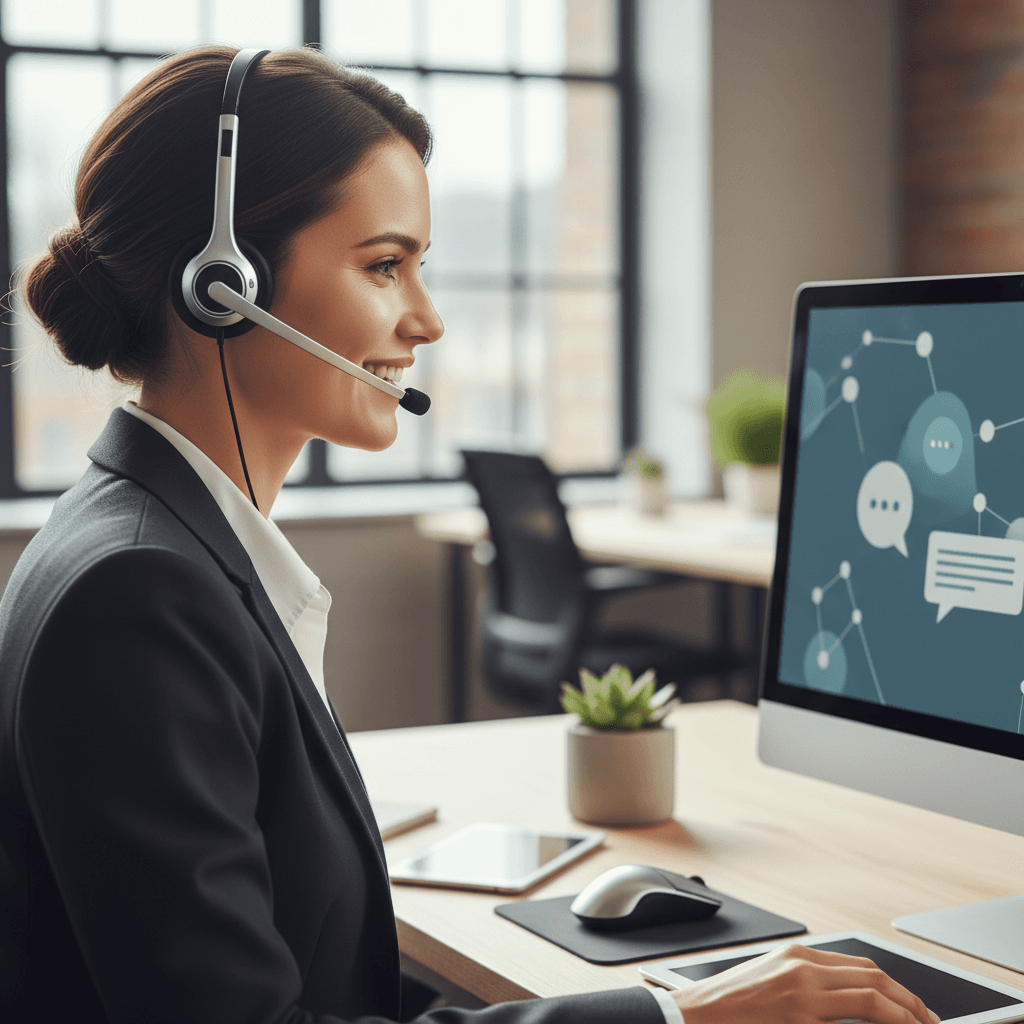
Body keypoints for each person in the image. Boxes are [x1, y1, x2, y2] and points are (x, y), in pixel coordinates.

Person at [0, 45, 940, 1024]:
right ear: (223, 281)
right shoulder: (143, 590)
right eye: (384, 265)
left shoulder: (144, 538)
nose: (429, 320)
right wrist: (683, 1016)